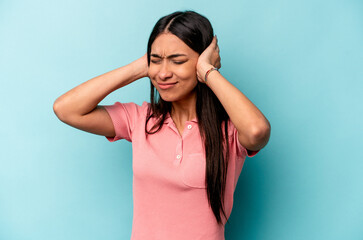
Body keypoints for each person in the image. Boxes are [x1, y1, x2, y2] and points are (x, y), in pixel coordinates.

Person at [53, 10, 270, 240]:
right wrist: (141, 67)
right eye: (156, 61)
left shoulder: (228, 131)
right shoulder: (139, 120)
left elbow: (258, 131)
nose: (164, 73)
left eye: (178, 61)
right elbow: (66, 109)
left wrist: (209, 71)